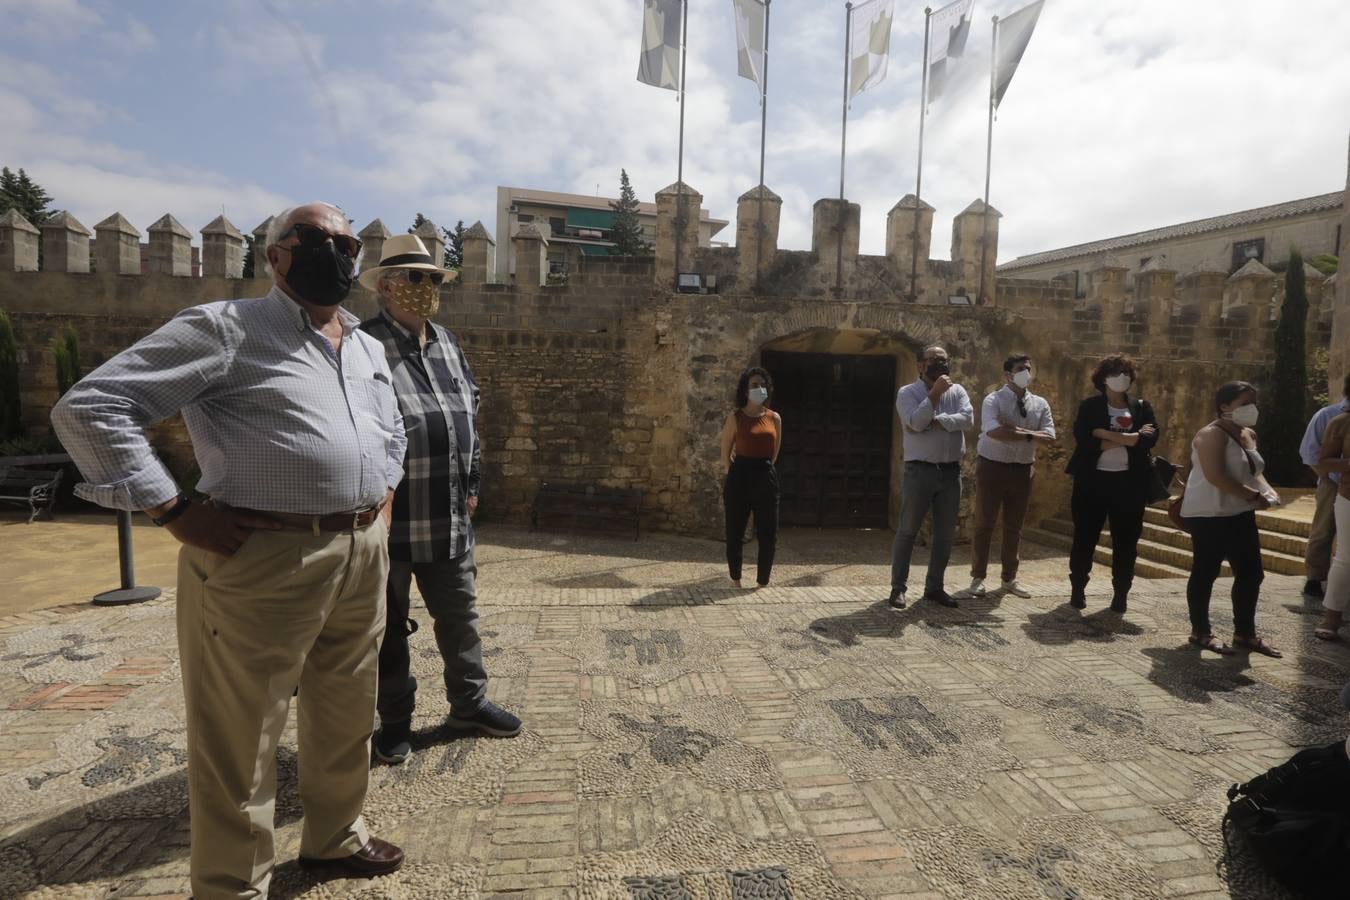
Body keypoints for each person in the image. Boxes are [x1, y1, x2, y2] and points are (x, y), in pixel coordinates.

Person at [51, 203, 408, 898]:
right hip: (263, 555)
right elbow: (92, 406)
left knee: (346, 707)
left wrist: (379, 507)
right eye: (320, 240)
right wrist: (174, 509)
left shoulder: (365, 344)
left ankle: (334, 838)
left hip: (361, 551)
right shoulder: (225, 329)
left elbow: (389, 430)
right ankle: (232, 883)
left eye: (348, 242)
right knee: (240, 729)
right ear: (276, 255)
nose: (339, 252)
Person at [358, 235, 522, 766]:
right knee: (387, 630)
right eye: (415, 278)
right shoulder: (363, 347)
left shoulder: (448, 342)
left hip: (449, 516)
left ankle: (468, 705)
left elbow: (469, 415)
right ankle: (395, 723)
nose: (426, 288)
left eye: (432, 279)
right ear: (385, 286)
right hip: (390, 520)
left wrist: (471, 484)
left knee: (461, 619)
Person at [1179, 381, 1282, 657]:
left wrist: (1267, 491)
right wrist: (1253, 497)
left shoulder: (1248, 433)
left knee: (1251, 573)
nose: (1252, 409)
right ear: (1224, 406)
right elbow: (1216, 475)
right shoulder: (1210, 434)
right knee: (1205, 571)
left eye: (1254, 403)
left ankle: (1245, 633)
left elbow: (1253, 469)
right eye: (1245, 404)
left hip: (1239, 512)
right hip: (1210, 514)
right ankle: (1200, 631)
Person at [1064, 353, 1159, 613]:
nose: (1123, 378)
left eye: (1127, 373)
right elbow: (1085, 440)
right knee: (1084, 538)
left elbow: (1150, 439)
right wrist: (1130, 437)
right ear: (1104, 378)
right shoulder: (1090, 407)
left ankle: (1120, 595)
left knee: (1126, 542)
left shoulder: (1142, 407)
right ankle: (1078, 590)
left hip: (1129, 485)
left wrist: (1105, 434)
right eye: (1117, 373)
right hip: (1092, 483)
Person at [890, 344, 975, 610]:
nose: (940, 364)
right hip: (920, 471)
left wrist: (937, 420)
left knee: (944, 534)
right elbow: (915, 423)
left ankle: (934, 587)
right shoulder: (907, 392)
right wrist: (935, 395)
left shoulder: (958, 390)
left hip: (951, 472)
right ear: (920, 365)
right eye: (933, 360)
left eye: (944, 359)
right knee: (907, 531)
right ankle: (898, 589)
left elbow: (968, 419)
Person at [966, 353, 1056, 599]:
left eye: (1028, 368)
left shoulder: (1040, 403)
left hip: (1023, 469)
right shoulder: (993, 399)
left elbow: (1050, 438)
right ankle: (978, 577)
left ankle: (1009, 578)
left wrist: (1017, 431)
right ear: (1007, 374)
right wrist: (1031, 434)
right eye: (1020, 368)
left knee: (1014, 526)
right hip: (992, 466)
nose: (1026, 372)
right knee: (985, 523)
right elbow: (994, 432)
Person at [719, 367, 782, 587]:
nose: (759, 388)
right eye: (754, 385)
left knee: (768, 533)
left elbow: (774, 452)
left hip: (765, 476)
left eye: (762, 384)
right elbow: (725, 453)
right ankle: (736, 579)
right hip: (740, 476)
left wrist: (762, 471)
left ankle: (762, 581)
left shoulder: (774, 418)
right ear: (745, 390)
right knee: (735, 531)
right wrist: (736, 475)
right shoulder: (735, 418)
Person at [1299, 376, 1350, 600]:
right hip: (1331, 481)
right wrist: (1329, 478)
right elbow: (1309, 453)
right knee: (1323, 530)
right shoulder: (1327, 415)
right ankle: (1315, 576)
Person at [1315, 408, 1350, 641]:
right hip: (1349, 496)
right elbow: (1324, 461)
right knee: (1346, 558)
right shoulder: (1341, 422)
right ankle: (1331, 617)